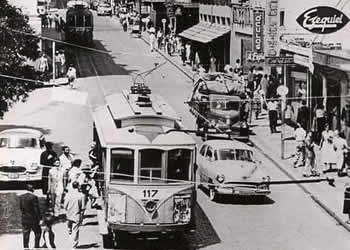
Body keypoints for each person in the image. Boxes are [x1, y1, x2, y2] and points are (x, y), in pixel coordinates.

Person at [19, 184, 42, 249]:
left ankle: (26, 247)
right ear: (32, 189)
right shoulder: (34, 197)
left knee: (26, 233)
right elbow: (36, 209)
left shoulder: (21, 197)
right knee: (38, 232)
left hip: (25, 218)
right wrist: (40, 218)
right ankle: (36, 246)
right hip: (33, 219)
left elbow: (21, 208)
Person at [64, 181, 85, 248]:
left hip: (69, 214)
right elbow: (83, 207)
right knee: (75, 229)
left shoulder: (68, 195)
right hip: (77, 214)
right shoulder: (81, 195)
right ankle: (74, 244)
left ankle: (70, 237)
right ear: (78, 186)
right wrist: (82, 216)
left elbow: (65, 206)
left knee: (69, 228)